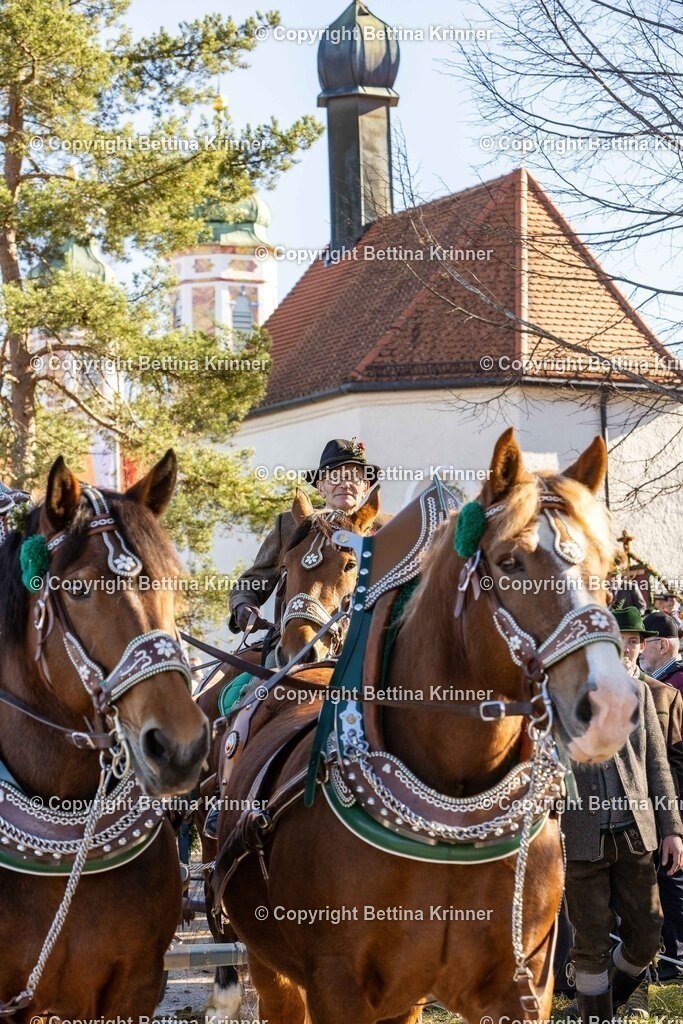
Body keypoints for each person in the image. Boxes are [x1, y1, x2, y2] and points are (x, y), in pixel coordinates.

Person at [562, 670, 683, 1024]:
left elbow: (658, 763)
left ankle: (600, 1004)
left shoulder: (639, 691)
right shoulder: (553, 694)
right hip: (580, 838)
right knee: (591, 944)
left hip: (635, 834)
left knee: (647, 934)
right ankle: (594, 1017)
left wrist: (672, 829)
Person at [227, 438, 390, 636]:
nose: (345, 484)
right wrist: (243, 604)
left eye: (353, 477)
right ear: (320, 487)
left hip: (372, 636)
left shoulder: (389, 528)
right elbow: (254, 581)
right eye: (335, 477)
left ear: (365, 486)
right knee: (263, 667)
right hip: (298, 637)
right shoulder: (290, 524)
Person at [615, 606, 683, 995]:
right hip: (595, 820)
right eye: (618, 641)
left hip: (648, 817)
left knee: (647, 908)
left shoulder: (665, 694)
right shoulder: (582, 691)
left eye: (632, 642)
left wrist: (669, 820)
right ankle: (593, 992)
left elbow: (671, 762)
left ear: (643, 646)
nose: (625, 650)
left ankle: (639, 983)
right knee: (598, 913)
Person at [642, 613, 683, 694]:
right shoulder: (673, 679)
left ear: (663, 646)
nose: (639, 649)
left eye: (643, 643)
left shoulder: (679, 683)